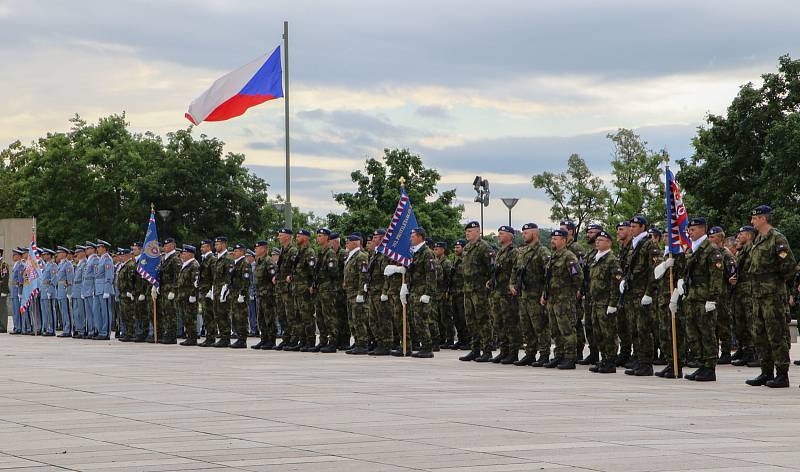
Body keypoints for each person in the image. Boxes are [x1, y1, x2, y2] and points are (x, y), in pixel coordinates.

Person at [744, 205, 797, 388]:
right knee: (760, 334)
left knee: (776, 334)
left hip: (772, 295)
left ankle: (782, 374)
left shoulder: (777, 238)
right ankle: (766, 372)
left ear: (763, 219)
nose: (752, 222)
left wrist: (774, 282)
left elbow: (789, 266)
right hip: (758, 295)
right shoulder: (759, 239)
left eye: (754, 218)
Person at [680, 217, 724, 382]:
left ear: (702, 230)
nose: (690, 232)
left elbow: (716, 276)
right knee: (693, 332)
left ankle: (710, 367)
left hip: (705, 297)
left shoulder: (711, 249)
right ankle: (702, 364)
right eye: (689, 230)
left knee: (707, 332)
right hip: (692, 297)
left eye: (693, 230)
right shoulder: (693, 249)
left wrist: (712, 298)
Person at [621, 216, 660, 377]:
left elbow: (654, 270)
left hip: (643, 292)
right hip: (632, 293)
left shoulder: (650, 244)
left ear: (643, 227)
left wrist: (649, 293)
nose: (632, 229)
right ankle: (638, 358)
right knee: (635, 329)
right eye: (631, 226)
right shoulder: (633, 244)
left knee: (644, 329)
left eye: (635, 226)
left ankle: (646, 363)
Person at [541, 229, 584, 369]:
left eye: (556, 238)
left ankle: (570, 357)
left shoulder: (568, 256)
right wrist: (545, 295)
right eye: (552, 238)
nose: (553, 241)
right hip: (553, 300)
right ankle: (559, 355)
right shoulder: (553, 256)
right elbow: (548, 279)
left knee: (567, 329)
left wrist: (572, 292)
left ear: (564, 241)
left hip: (564, 300)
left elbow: (578, 277)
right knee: (555, 330)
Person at [510, 223, 551, 367]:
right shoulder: (522, 251)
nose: (524, 235)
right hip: (524, 295)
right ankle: (530, 353)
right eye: (523, 233)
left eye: (527, 233)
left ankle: (544, 354)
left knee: (540, 326)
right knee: (526, 326)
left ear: (535, 233)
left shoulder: (542, 251)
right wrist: (512, 284)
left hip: (536, 295)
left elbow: (548, 274)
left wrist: (545, 293)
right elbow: (515, 270)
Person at [459, 221, 496, 363]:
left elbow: (492, 269)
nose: (467, 233)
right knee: (470, 320)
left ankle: (487, 350)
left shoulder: (485, 247)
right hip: (468, 289)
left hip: (480, 291)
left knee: (483, 320)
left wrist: (489, 283)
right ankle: (475, 349)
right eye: (466, 231)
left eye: (470, 231)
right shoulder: (467, 248)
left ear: (477, 231)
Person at [586, 230, 621, 373]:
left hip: (606, 302)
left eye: (601, 240)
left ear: (609, 243)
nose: (597, 242)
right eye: (597, 240)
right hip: (595, 302)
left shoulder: (612, 260)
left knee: (609, 333)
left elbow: (616, 284)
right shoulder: (596, 258)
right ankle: (604, 359)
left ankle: (611, 361)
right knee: (598, 333)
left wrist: (613, 304)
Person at [489, 226, 520, 364]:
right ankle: (504, 351)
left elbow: (517, 272)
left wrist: (513, 286)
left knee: (510, 323)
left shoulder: (514, 252)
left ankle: (513, 353)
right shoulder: (500, 252)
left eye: (501, 234)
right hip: (497, 293)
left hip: (508, 294)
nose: (498, 236)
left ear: (510, 236)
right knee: (498, 323)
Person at [708, 226, 737, 364]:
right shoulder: (711, 252)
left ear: (720, 238)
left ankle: (726, 352)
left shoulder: (726, 255)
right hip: (712, 294)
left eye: (713, 237)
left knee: (723, 323)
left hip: (723, 295)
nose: (710, 239)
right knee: (712, 324)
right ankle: (713, 352)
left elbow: (732, 276)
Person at [731, 226, 757, 367]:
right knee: (741, 324)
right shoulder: (741, 252)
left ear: (748, 235)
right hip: (740, 292)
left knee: (751, 324)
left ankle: (756, 353)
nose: (738, 237)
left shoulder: (752, 250)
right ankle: (747, 352)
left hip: (749, 292)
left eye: (741, 234)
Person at [287, 229, 317, 351]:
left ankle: (310, 341)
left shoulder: (309, 252)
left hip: (305, 290)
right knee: (298, 316)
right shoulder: (300, 252)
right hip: (297, 289)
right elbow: (298, 271)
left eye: (299, 236)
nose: (296, 238)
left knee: (307, 316)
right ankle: (302, 340)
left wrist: (312, 286)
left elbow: (312, 272)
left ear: (305, 238)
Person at [343, 233, 370, 355]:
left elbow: (363, 275)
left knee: (359, 319)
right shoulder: (350, 255)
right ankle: (357, 341)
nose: (347, 244)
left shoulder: (361, 256)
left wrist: (361, 292)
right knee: (352, 319)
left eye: (349, 242)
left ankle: (363, 344)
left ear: (356, 243)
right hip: (350, 292)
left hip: (357, 293)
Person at [274, 229, 297, 349]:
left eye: (281, 235)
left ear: (287, 237)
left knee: (290, 315)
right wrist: (276, 277)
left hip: (288, 289)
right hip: (280, 287)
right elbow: (280, 267)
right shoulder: (283, 250)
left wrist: (291, 277)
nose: (279, 237)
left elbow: (294, 268)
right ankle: (286, 338)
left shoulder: (292, 250)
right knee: (282, 315)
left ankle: (294, 339)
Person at [158, 238, 181, 344]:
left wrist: (173, 290)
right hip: (163, 289)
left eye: (167, 245)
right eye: (164, 245)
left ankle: (172, 335)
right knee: (165, 312)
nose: (165, 247)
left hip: (170, 290)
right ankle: (167, 333)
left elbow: (177, 276)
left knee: (171, 313)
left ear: (173, 246)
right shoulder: (164, 258)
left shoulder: (175, 259)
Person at [212, 236, 234, 347]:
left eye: (218, 244)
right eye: (215, 244)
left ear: (224, 245)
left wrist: (226, 289)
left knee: (224, 314)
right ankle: (222, 335)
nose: (216, 246)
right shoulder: (217, 258)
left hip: (224, 291)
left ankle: (226, 337)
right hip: (216, 290)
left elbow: (229, 276)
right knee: (217, 314)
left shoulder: (228, 258)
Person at [178, 244, 200, 346]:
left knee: (191, 317)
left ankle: (193, 338)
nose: (182, 254)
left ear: (191, 254)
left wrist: (193, 295)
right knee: (186, 317)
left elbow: (195, 282)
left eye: (185, 253)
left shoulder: (194, 265)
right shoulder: (185, 264)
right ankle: (189, 336)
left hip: (190, 296)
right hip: (183, 296)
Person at [450, 240, 469, 349]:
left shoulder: (465, 259)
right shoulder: (455, 260)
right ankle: (461, 339)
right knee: (457, 318)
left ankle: (467, 340)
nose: (456, 249)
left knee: (463, 318)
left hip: (463, 293)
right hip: (455, 293)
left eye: (458, 247)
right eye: (455, 247)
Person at [197, 240, 217, 346]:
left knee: (209, 315)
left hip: (208, 291)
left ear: (209, 247)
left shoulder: (212, 259)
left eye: (203, 247)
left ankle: (211, 337)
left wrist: (212, 290)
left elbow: (214, 276)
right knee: (205, 314)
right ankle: (209, 336)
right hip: (203, 291)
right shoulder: (205, 259)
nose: (201, 248)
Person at [54, 246, 74, 337]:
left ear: (64, 254)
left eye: (59, 253)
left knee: (66, 311)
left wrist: (69, 292)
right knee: (62, 310)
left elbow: (70, 280)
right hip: (60, 289)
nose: (57, 254)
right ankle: (65, 328)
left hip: (65, 290)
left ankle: (68, 329)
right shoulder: (60, 264)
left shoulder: (68, 264)